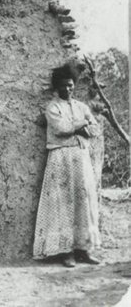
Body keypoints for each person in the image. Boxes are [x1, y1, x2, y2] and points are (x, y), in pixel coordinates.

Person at [33, 63, 101, 267]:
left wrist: (84, 127)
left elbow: (95, 128)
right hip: (61, 158)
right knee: (64, 203)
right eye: (63, 86)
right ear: (57, 87)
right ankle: (66, 251)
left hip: (80, 158)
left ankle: (84, 249)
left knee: (84, 200)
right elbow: (61, 128)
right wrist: (81, 125)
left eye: (70, 85)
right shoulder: (53, 107)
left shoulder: (81, 106)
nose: (68, 89)